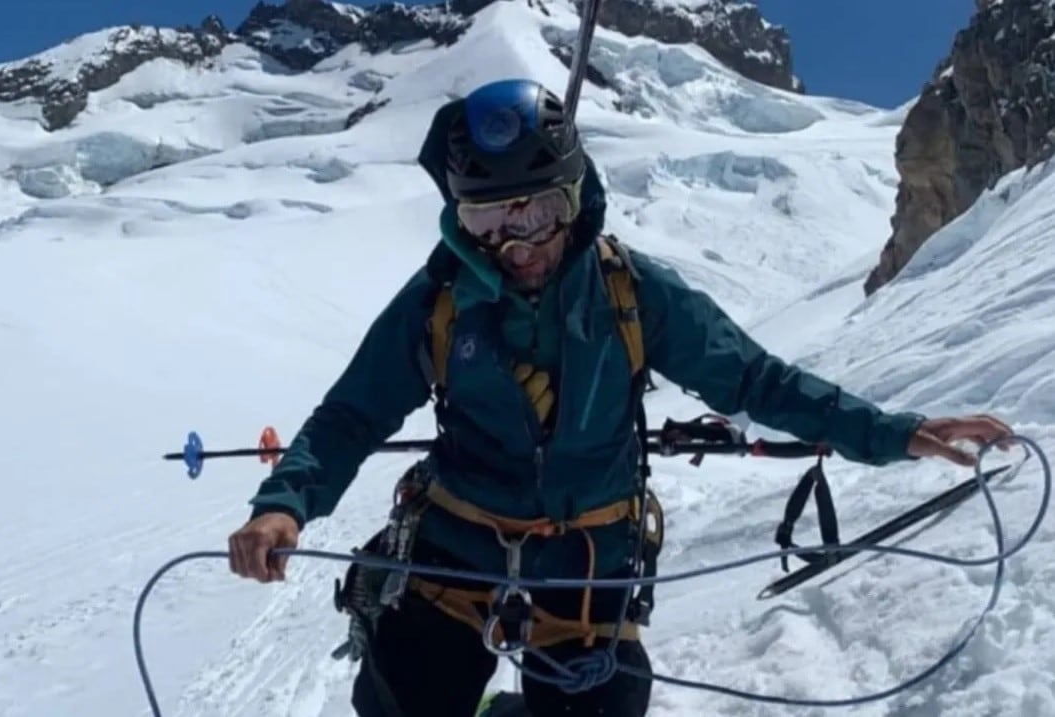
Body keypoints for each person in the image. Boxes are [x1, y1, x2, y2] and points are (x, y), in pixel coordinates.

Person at [227, 78, 1013, 717]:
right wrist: (284, 502)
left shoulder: (632, 294)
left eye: (538, 207)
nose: (520, 238)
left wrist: (890, 431)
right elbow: (352, 413)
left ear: (576, 195)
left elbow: (756, 381)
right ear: (458, 217)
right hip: (451, 562)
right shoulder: (436, 303)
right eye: (490, 215)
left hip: (587, 571)